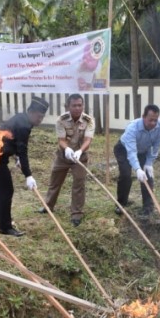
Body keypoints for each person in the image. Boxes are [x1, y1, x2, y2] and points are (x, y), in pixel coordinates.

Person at [0, 96, 49, 237]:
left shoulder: (22, 119)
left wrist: (16, 157)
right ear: (31, 112)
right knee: (6, 191)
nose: (40, 120)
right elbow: (23, 149)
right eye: (39, 116)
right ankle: (5, 226)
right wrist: (28, 175)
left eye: (42, 117)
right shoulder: (24, 124)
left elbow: (13, 141)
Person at [39, 94, 95, 227]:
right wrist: (67, 149)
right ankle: (48, 206)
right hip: (63, 156)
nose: (77, 108)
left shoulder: (89, 120)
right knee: (54, 182)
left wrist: (80, 151)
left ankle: (76, 213)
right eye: (74, 105)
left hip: (80, 157)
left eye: (80, 105)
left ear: (83, 106)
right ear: (68, 106)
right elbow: (61, 140)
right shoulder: (61, 120)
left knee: (79, 184)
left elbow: (88, 140)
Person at [114, 105, 160, 216]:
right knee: (126, 174)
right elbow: (131, 152)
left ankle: (148, 207)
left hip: (142, 151)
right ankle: (121, 204)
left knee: (148, 176)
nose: (153, 123)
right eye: (150, 120)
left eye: (155, 120)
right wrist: (137, 169)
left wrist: (148, 163)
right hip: (124, 149)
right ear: (143, 117)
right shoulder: (132, 127)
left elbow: (156, 146)